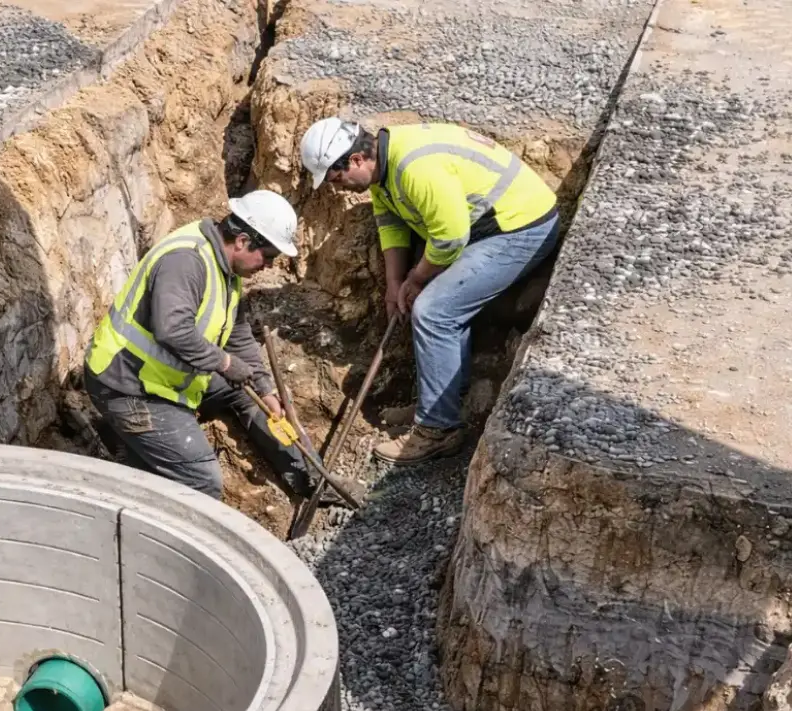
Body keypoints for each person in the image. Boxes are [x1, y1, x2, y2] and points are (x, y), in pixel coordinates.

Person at [299, 118, 560, 465]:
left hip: (518, 228)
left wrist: (417, 280)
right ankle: (440, 400)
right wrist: (394, 284)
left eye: (336, 178)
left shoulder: (414, 167)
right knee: (434, 304)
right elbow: (389, 220)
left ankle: (438, 430)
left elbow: (450, 238)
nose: (338, 189)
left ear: (356, 161)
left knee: (435, 311)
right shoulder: (383, 162)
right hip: (482, 226)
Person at [84, 189, 363, 504]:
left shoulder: (229, 269)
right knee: (202, 482)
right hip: (127, 385)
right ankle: (133, 460)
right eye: (268, 256)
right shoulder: (186, 262)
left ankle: (312, 480)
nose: (269, 266)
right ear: (243, 241)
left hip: (166, 379)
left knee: (253, 398)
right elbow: (173, 331)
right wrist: (227, 364)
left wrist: (264, 387)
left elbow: (238, 333)